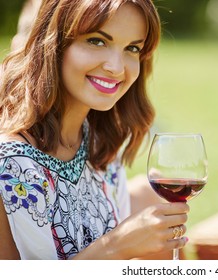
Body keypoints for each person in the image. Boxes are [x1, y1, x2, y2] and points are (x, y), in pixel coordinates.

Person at [0, 0, 189, 260]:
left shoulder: (102, 146)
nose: (117, 67)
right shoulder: (9, 163)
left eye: (132, 48)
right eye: (97, 41)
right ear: (54, 44)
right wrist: (116, 246)